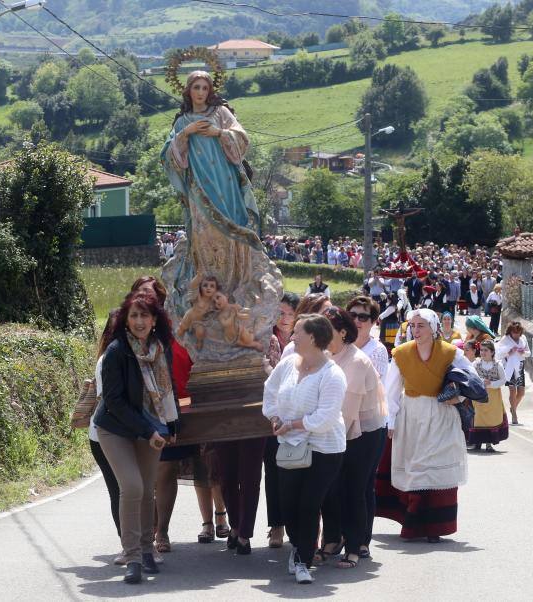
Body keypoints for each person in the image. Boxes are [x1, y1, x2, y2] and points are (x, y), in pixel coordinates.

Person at [161, 70, 280, 341]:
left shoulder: (220, 113)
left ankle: (236, 286)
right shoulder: (182, 121)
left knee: (231, 234)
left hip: (224, 184)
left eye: (205, 87)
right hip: (198, 189)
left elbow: (242, 138)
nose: (200, 92)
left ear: (210, 90)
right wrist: (185, 134)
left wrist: (219, 133)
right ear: (188, 91)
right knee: (204, 236)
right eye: (196, 88)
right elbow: (168, 156)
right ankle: (206, 290)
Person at [129, 277, 227, 554]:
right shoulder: (129, 332)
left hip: (186, 406)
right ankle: (152, 531)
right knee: (155, 472)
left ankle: (198, 522)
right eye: (140, 296)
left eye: (151, 296)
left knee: (198, 465)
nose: (146, 302)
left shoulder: (179, 327)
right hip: (146, 412)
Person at [95, 292, 180, 584]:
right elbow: (114, 402)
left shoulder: (161, 349)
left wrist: (171, 427)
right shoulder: (117, 351)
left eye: (145, 315)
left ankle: (147, 550)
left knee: (146, 489)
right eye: (134, 315)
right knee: (131, 487)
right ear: (125, 320)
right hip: (115, 428)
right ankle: (132, 556)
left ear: (155, 320)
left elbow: (170, 390)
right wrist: (149, 430)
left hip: (152, 428)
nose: (140, 321)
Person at [262, 314, 347, 584]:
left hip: (324, 449)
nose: (292, 336)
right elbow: (270, 390)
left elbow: (325, 418)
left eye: (297, 332)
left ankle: (303, 560)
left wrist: (292, 424)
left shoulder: (333, 374)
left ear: (312, 337)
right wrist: (275, 418)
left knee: (309, 504)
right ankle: (300, 547)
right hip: (290, 446)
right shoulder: (287, 364)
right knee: (288, 504)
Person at [377, 309, 474, 542]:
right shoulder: (401, 353)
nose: (416, 330)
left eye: (421, 325)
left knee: (435, 467)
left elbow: (471, 380)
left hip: (441, 415)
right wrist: (390, 421)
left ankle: (435, 526)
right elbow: (390, 391)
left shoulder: (451, 353)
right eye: (413, 325)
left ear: (433, 328)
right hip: (412, 415)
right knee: (416, 468)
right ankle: (414, 522)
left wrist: (457, 398)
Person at [319, 307, 387, 570]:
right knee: (330, 488)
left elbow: (348, 412)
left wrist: (323, 439)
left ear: (342, 332)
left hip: (364, 433)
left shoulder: (357, 361)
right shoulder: (326, 356)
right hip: (334, 432)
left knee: (353, 490)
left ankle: (355, 546)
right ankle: (332, 540)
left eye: (326, 329)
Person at [346, 296, 389, 558]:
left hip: (370, 424)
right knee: (344, 484)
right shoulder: (340, 345)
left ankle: (362, 539)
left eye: (364, 317)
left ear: (373, 322)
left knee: (363, 484)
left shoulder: (377, 350)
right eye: (353, 314)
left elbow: (372, 387)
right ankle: (343, 534)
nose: (357, 321)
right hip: (343, 423)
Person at [264, 292, 299, 548]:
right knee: (274, 468)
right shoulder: (268, 337)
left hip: (300, 414)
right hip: (275, 412)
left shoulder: (305, 336)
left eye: (290, 313)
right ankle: (276, 525)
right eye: (281, 312)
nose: (285, 318)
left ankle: (300, 525)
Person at [88, 310, 124, 562]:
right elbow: (109, 400)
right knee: (121, 490)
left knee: (131, 490)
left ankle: (139, 543)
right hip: (105, 434)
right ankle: (129, 544)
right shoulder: (108, 359)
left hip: (124, 433)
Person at [469, 340, 509, 452]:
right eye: (481, 350)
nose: (482, 352)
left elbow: (503, 380)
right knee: (479, 418)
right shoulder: (476, 364)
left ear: (492, 352)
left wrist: (491, 384)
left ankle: (488, 444)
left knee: (491, 419)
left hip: (493, 397)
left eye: (486, 350)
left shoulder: (498, 365)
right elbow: (471, 377)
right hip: (479, 395)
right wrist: (482, 381)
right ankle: (477, 442)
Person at [497, 322, 531, 425]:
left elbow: (528, 353)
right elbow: (498, 354)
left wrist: (523, 353)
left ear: (521, 332)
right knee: (513, 391)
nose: (516, 334)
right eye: (514, 332)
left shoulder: (523, 339)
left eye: (518, 332)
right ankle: (514, 415)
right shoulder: (505, 339)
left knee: (521, 393)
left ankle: (513, 408)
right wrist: (509, 352)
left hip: (519, 367)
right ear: (510, 331)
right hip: (509, 367)